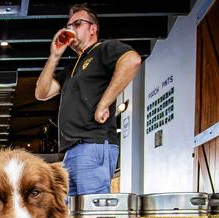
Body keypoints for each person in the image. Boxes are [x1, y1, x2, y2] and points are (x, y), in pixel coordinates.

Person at [35, 4, 142, 195]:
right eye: (69, 26)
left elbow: (132, 60)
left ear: (93, 28)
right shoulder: (71, 69)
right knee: (75, 216)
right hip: (72, 151)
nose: (71, 29)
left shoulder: (103, 49)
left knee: (93, 215)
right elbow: (41, 93)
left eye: (77, 24)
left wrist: (104, 103)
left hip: (93, 144)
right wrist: (54, 55)